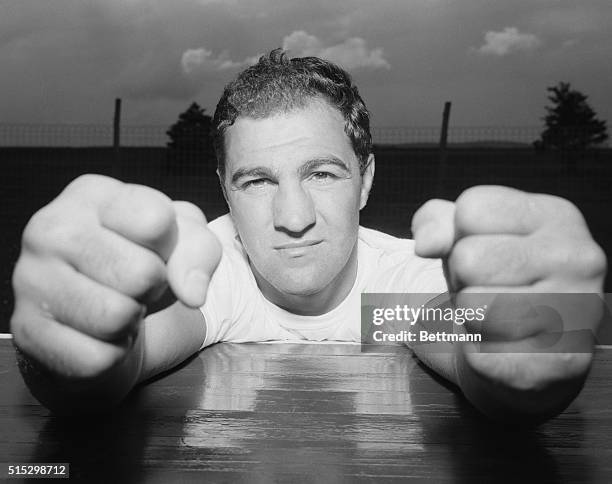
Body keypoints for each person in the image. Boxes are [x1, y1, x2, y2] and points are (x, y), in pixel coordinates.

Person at [10, 49, 606, 421]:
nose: (293, 216)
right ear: (224, 190)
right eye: (257, 180)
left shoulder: (390, 295)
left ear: (366, 180)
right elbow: (126, 353)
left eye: (321, 173)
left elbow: (479, 351)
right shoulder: (218, 276)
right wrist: (71, 351)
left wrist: (537, 344)